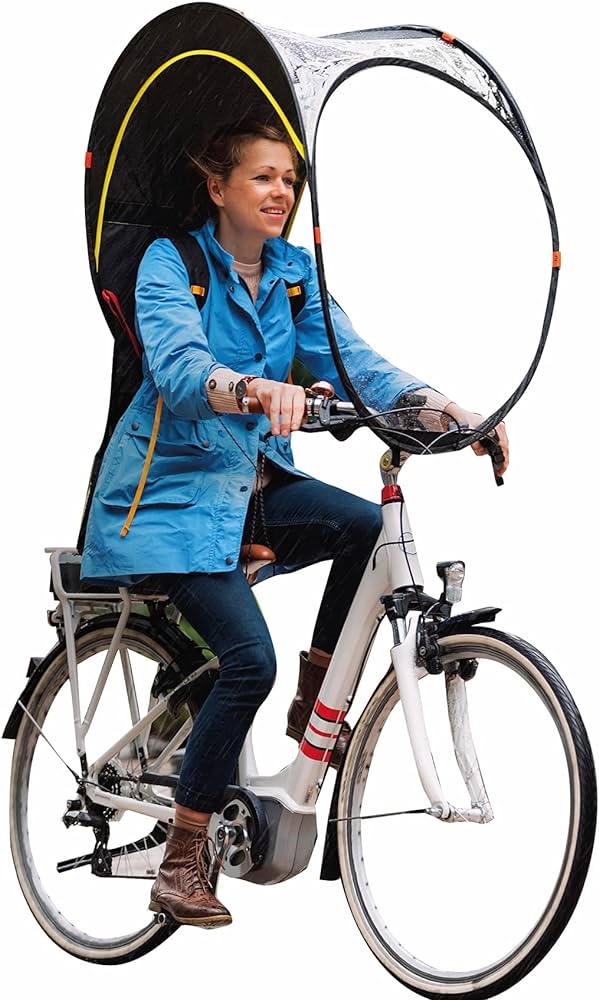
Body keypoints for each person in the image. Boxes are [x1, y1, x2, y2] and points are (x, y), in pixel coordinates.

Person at [81, 120, 509, 928]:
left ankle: (314, 713)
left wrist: (446, 408)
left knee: (364, 530)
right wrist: (252, 389)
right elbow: (177, 368)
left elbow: (353, 362)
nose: (280, 191)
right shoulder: (173, 264)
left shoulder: (290, 275)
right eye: (261, 177)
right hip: (167, 501)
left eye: (288, 179)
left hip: (251, 486)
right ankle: (181, 861)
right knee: (247, 659)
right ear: (217, 188)